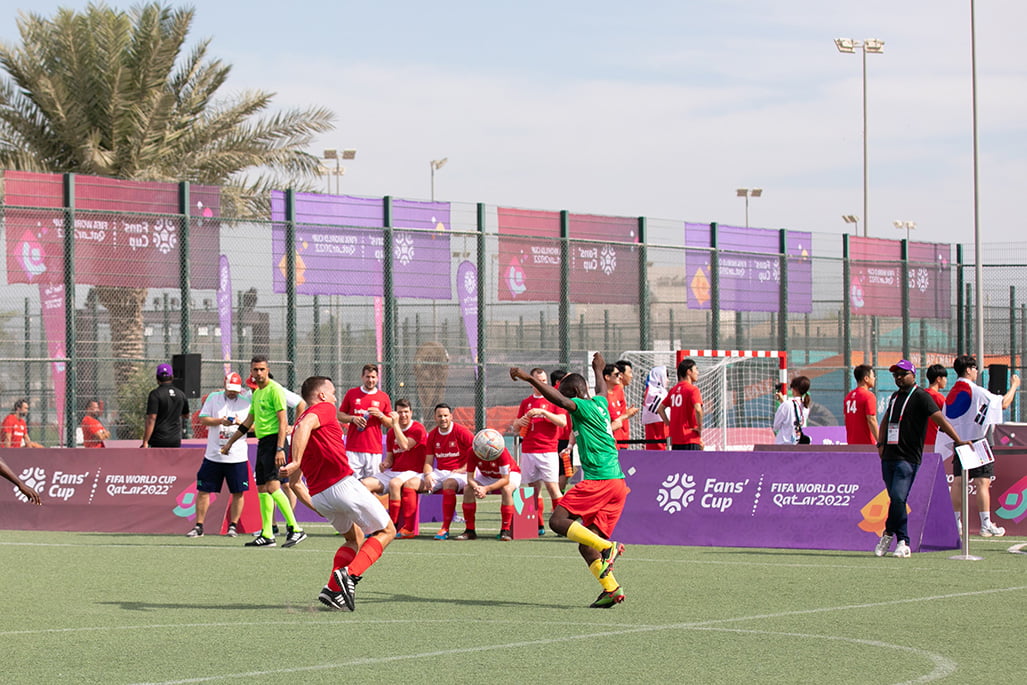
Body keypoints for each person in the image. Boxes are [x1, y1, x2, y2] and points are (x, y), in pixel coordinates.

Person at [511, 352, 629, 609]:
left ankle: (608, 547)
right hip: (617, 484)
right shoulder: (600, 402)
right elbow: (598, 388)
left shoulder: (582, 406)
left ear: (574, 392)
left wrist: (528, 378)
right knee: (587, 546)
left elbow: (562, 399)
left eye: (566, 394)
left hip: (600, 480)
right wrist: (597, 368)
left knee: (557, 521)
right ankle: (612, 589)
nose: (564, 400)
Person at [282, 376, 396, 612]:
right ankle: (349, 576)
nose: (335, 397)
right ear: (322, 395)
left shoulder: (300, 429)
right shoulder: (323, 409)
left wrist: (319, 507)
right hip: (342, 485)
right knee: (387, 530)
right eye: (332, 392)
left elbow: (295, 484)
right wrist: (295, 461)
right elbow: (304, 427)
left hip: (321, 495)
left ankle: (333, 589)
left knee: (354, 539)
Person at [875, 359, 966, 558]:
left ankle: (903, 541)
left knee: (899, 498)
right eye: (895, 374)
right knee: (895, 500)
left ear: (913, 374)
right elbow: (885, 421)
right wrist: (880, 444)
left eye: (902, 374)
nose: (898, 377)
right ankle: (888, 533)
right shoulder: (894, 397)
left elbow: (940, 419)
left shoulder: (921, 397)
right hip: (889, 456)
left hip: (908, 457)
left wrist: (958, 440)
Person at [220, 355, 307, 548]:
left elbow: (283, 420)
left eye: (262, 369)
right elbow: (249, 421)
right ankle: (267, 534)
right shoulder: (257, 393)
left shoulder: (275, 390)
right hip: (263, 443)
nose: (258, 373)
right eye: (255, 370)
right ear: (250, 372)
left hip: (274, 442)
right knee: (262, 489)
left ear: (267, 370)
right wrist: (230, 443)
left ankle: (296, 528)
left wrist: (279, 448)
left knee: (275, 487)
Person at [936, 354, 1021, 537]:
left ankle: (956, 522)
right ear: (968, 370)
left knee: (959, 481)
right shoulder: (975, 391)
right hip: (978, 441)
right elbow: (1004, 404)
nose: (976, 371)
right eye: (974, 368)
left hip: (960, 441)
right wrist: (1014, 385)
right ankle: (985, 523)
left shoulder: (952, 392)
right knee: (983, 481)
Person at [185, 373, 252, 539]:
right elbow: (203, 419)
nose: (232, 393)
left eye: (235, 391)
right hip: (213, 455)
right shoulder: (214, 398)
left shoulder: (246, 402)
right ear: (224, 385)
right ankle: (199, 526)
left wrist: (238, 423)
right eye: (230, 390)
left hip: (237, 456)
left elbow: (254, 427)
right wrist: (220, 421)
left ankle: (233, 526)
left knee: (238, 492)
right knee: (203, 490)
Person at [361, 398, 427, 537]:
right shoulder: (391, 433)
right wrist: (385, 463)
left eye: (406, 412)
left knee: (394, 483)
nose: (403, 415)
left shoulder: (417, 428)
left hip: (414, 472)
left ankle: (393, 526)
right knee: (364, 485)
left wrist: (395, 424)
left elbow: (404, 445)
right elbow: (391, 457)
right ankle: (375, 524)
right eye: (399, 412)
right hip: (395, 471)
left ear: (411, 412)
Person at [514, 368, 567, 536]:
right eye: (539, 380)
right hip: (528, 450)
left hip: (548, 450)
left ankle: (561, 525)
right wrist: (519, 422)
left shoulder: (554, 400)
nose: (542, 383)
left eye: (544, 380)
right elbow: (516, 428)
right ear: (532, 382)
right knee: (532, 489)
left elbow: (562, 422)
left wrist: (544, 413)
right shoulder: (526, 402)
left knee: (553, 487)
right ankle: (536, 525)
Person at [421, 403, 474, 540]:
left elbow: (477, 452)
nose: (443, 418)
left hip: (461, 473)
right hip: (440, 472)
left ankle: (445, 528)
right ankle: (406, 529)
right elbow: (428, 462)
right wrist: (427, 475)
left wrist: (464, 468)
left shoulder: (462, 432)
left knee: (449, 484)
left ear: (451, 416)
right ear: (435, 417)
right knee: (410, 484)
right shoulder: (432, 435)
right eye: (440, 416)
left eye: (445, 416)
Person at [454, 443, 522, 541]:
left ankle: (505, 530)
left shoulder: (502, 452)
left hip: (510, 474)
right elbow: (470, 478)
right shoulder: (472, 452)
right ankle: (470, 530)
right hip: (487, 475)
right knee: (468, 488)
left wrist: (486, 489)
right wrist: (477, 488)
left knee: (507, 489)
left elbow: (505, 480)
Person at [338, 364, 394, 479]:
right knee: (351, 482)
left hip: (374, 449)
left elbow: (390, 423)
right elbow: (340, 415)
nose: (370, 380)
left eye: (373, 377)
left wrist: (380, 416)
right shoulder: (352, 393)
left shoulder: (383, 397)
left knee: (372, 484)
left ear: (378, 378)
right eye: (368, 377)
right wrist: (353, 418)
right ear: (362, 377)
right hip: (353, 448)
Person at [659, 357, 704, 450]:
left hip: (676, 438)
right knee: (692, 464)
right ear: (689, 372)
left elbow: (660, 409)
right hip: (689, 437)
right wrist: (699, 427)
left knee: (678, 464)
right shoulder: (693, 390)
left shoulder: (673, 390)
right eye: (696, 369)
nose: (698, 373)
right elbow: (698, 409)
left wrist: (669, 424)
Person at [141, 363, 190, 448]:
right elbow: (186, 415)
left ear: (157, 378)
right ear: (172, 377)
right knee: (172, 461)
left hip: (158, 439)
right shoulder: (181, 394)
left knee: (157, 461)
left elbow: (151, 418)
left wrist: (145, 441)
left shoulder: (155, 394)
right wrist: (174, 412)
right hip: (175, 439)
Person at [844, 364, 878, 446]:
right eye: (873, 376)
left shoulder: (848, 397)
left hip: (851, 443)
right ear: (866, 378)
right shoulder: (868, 396)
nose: (874, 378)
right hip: (866, 444)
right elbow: (871, 419)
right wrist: (880, 441)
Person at [773, 376, 811, 445]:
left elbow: (776, 426)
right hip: (796, 443)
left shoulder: (786, 404)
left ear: (794, 389)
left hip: (783, 444)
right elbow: (794, 411)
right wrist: (783, 401)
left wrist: (783, 404)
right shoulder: (806, 407)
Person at [640, 366, 670, 450]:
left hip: (662, 426)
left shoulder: (660, 391)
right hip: (657, 427)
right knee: (657, 450)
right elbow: (658, 410)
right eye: (666, 377)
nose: (668, 380)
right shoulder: (653, 392)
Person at [613, 360, 640, 447]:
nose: (631, 376)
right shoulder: (615, 391)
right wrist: (626, 414)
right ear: (621, 375)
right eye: (630, 372)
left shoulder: (620, 391)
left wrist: (627, 412)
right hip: (617, 442)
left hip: (623, 441)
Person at [923, 364, 948, 452]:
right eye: (945, 377)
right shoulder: (938, 397)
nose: (946, 380)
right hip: (934, 442)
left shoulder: (921, 394)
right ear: (938, 379)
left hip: (919, 442)